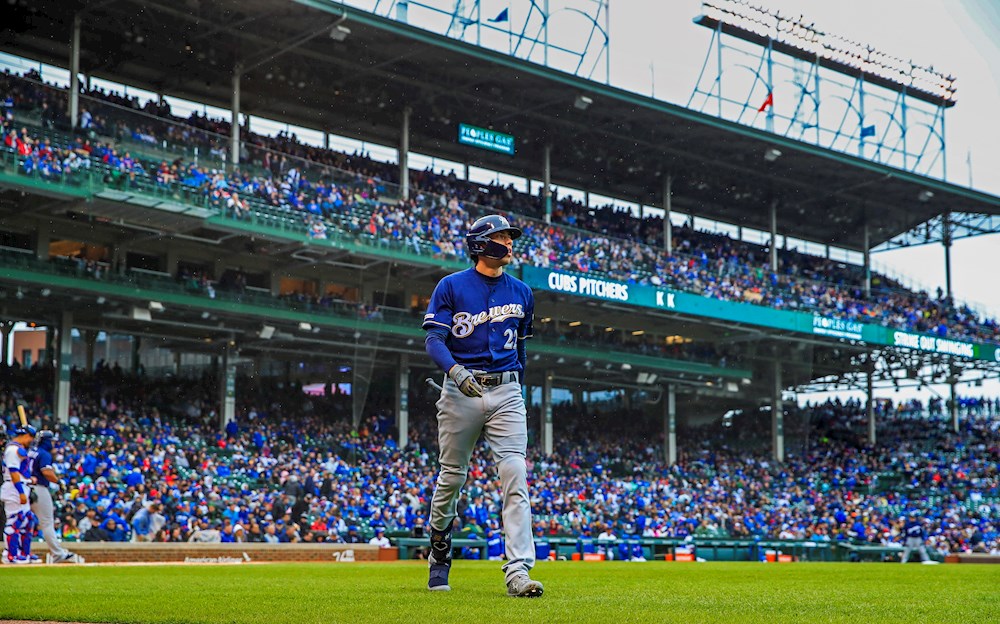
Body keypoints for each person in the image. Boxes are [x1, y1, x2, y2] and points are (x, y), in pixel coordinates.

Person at [422, 214, 542, 597]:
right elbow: (434, 340)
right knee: (452, 477)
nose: (508, 243)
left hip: (506, 390)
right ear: (479, 244)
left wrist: (515, 386)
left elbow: (521, 349)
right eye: (501, 237)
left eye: (509, 237)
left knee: (515, 473)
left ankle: (518, 571)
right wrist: (455, 371)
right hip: (461, 389)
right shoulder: (451, 286)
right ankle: (440, 551)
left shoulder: (522, 292)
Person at [28, 430, 76, 562]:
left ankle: (19, 552)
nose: (53, 444)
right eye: (51, 441)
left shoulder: (29, 451)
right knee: (47, 522)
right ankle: (57, 553)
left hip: (24, 487)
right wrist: (59, 482)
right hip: (38, 488)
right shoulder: (44, 454)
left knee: (22, 521)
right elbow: (47, 472)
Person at [2, 425, 38, 563]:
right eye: (30, 438)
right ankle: (10, 555)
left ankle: (24, 553)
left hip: (22, 485)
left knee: (28, 520)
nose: (31, 441)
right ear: (25, 436)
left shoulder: (19, 449)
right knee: (14, 521)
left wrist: (29, 480)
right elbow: (13, 473)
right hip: (14, 488)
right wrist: (21, 492)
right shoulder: (12, 449)